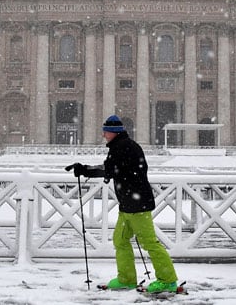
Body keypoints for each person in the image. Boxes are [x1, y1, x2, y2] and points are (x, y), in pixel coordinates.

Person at [67, 115, 178, 294]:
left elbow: (109, 169)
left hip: (137, 204)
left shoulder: (122, 147)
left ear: (113, 132)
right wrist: (87, 169)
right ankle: (126, 278)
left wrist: (84, 170)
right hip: (128, 203)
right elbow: (113, 169)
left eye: (105, 131)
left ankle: (168, 280)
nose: (103, 135)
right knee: (120, 240)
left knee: (150, 243)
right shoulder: (121, 145)